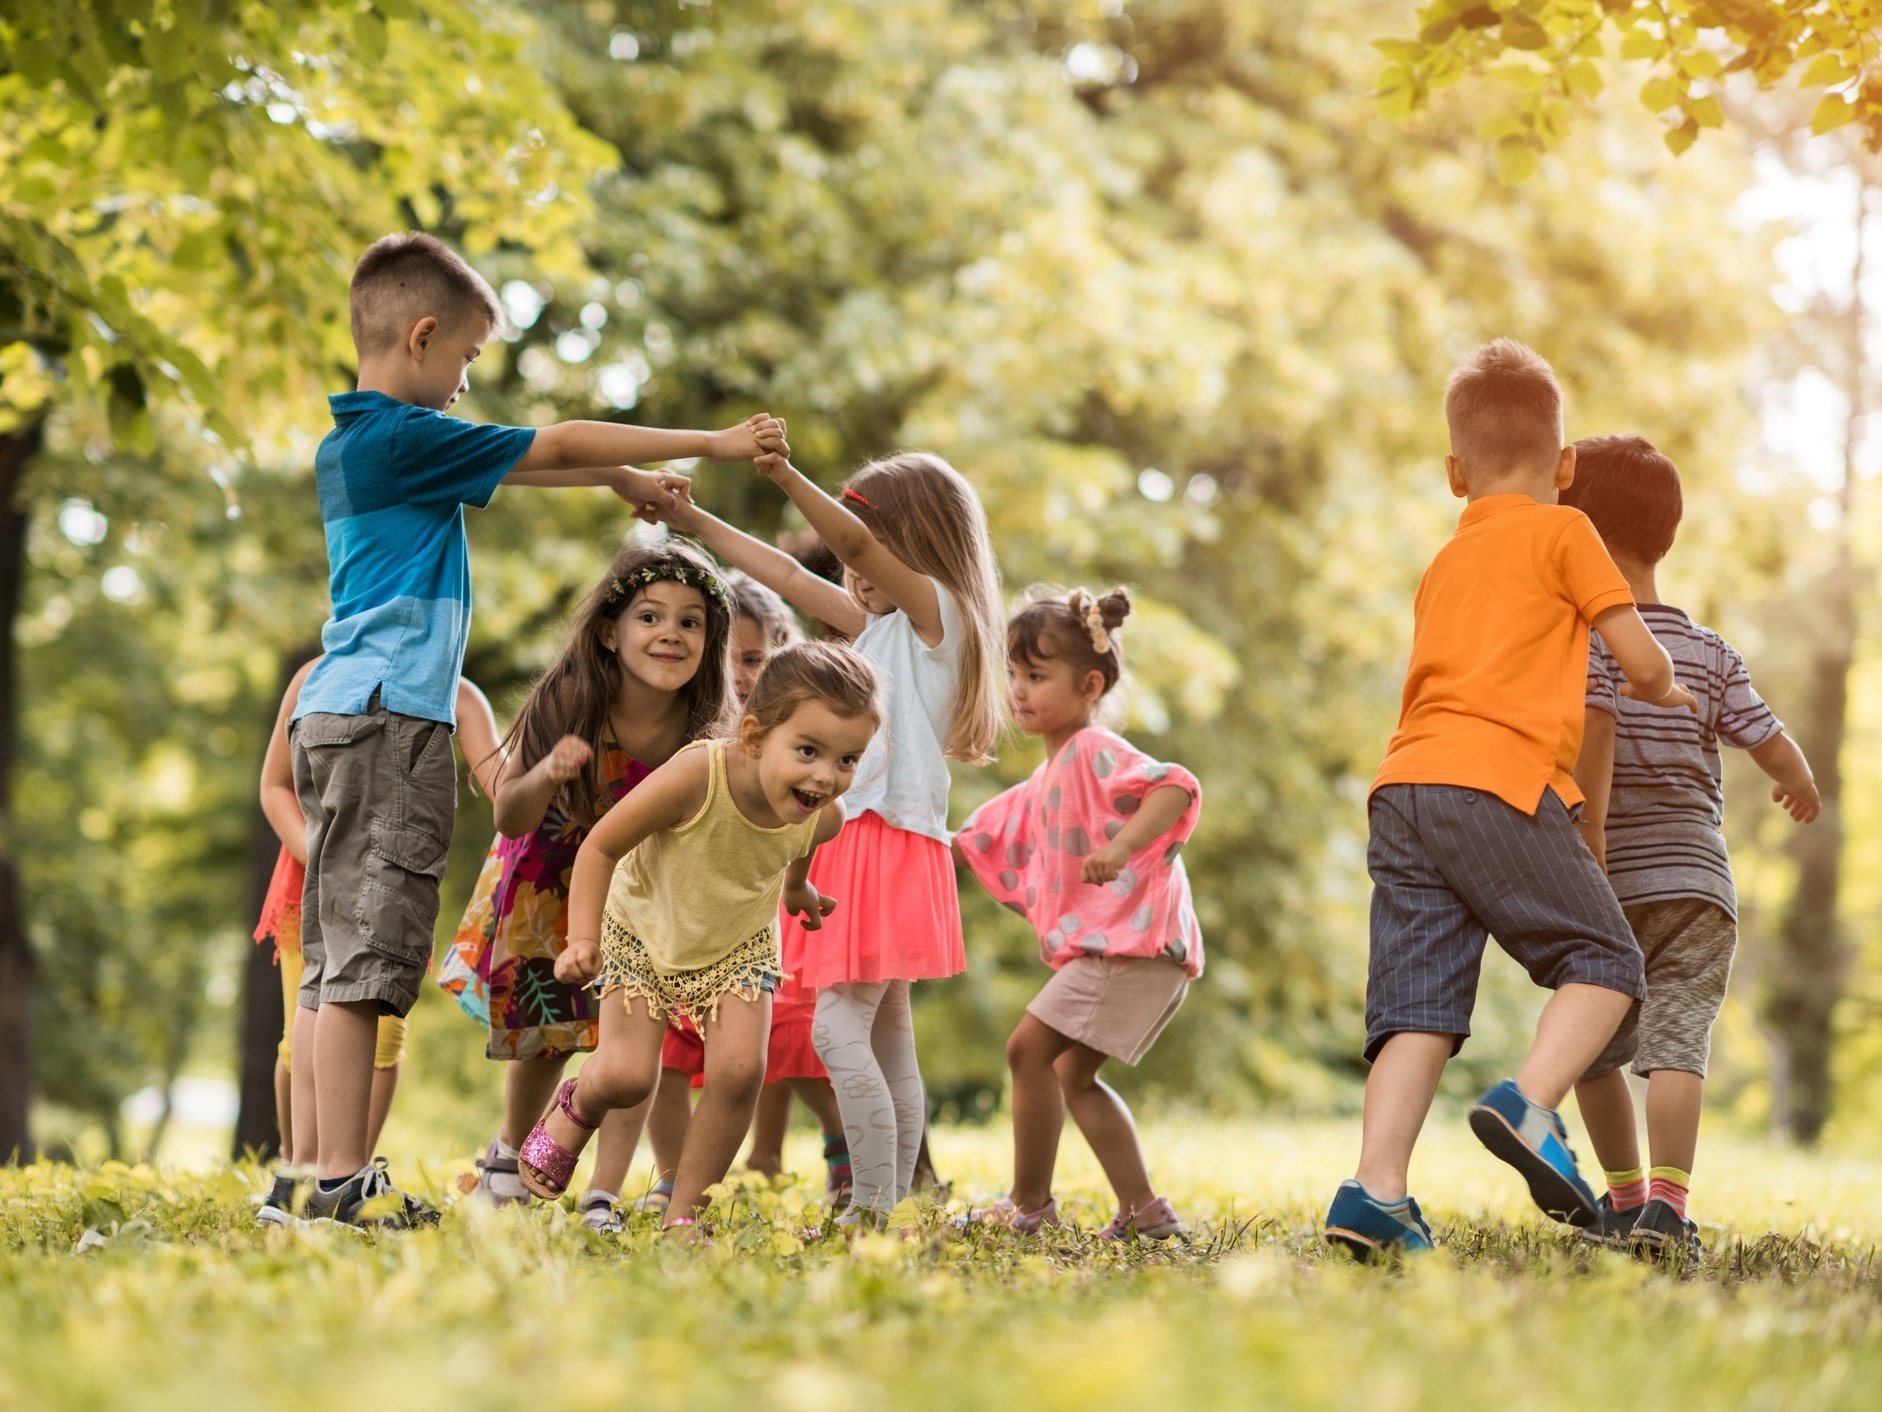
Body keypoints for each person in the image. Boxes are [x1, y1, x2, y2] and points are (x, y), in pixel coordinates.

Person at [293, 229, 781, 1225]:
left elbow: (534, 464)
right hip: (392, 720)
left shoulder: (357, 444)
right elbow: (551, 442)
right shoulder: (400, 435)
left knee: (335, 961)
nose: (470, 381)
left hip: (340, 712)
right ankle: (340, 1181)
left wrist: (615, 485)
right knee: (370, 963)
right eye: (468, 358)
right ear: (422, 336)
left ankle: (318, 1174)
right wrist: (713, 444)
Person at [1322, 339, 1697, 1260]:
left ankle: (1374, 1192)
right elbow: (1636, 650)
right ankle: (1530, 1104)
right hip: (1496, 781)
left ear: (1456, 474)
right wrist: (1666, 689)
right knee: (1608, 962)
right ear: (1566, 468)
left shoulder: (1447, 560)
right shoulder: (1567, 531)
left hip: (1404, 787)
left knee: (1416, 1006)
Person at [655, 447, 1003, 1224]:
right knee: (887, 1039)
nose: (855, 571)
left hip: (883, 840)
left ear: (922, 542)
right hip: (866, 842)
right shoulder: (880, 630)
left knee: (836, 1024)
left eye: (874, 543)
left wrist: (784, 474)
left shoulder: (938, 619)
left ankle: (869, 1207)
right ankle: (892, 1201)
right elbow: (789, 579)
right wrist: (691, 522)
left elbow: (850, 547)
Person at [515, 643, 882, 1238]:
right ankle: (578, 1102)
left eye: (847, 759)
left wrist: (796, 889)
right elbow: (601, 846)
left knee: (740, 1071)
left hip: (738, 944)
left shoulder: (825, 814)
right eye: (808, 751)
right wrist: (582, 938)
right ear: (757, 736)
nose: (824, 775)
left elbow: (802, 845)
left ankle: (685, 1213)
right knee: (630, 1076)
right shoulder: (698, 773)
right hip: (644, 928)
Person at [1561, 435, 1820, 1259]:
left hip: (1605, 881)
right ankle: (1668, 1210)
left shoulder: (1579, 643)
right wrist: (1800, 784)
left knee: (1593, 1051)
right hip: (1699, 885)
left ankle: (1625, 1199)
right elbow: (1771, 741)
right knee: (1679, 1043)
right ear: (1664, 534)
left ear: (1579, 534)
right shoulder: (1707, 651)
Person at [439, 541, 737, 1232]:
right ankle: (510, 1156)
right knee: (549, 1034)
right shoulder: (572, 697)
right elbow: (510, 811)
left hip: (644, 889)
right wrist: (544, 774)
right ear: (610, 630)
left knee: (633, 1036)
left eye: (691, 622)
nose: (670, 633)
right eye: (650, 617)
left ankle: (603, 1193)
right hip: (551, 872)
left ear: (710, 638)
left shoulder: (706, 724)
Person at [956, 587, 1201, 1239]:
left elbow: (1175, 786)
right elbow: (983, 833)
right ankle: (1145, 1211)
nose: (1019, 690)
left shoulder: (1094, 750)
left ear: (1089, 684)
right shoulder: (1049, 774)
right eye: (1014, 674)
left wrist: (1121, 846)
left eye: (1037, 676)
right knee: (1070, 1074)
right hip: (1134, 950)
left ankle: (1029, 1205)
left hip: (1132, 947)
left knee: (1026, 1051)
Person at [253, 665, 504, 1224]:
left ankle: (345, 1175)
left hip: (390, 887)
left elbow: (502, 781)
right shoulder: (313, 679)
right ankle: (296, 1172)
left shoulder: (456, 693)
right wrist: (322, 862)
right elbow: (274, 787)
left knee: (382, 1034)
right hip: (309, 889)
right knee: (301, 1040)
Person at [639, 572, 854, 1211]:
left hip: (751, 926)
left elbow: (815, 825)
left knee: (782, 1043)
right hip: (671, 920)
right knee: (670, 1055)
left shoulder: (798, 754)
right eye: (730, 657)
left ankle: (840, 1147)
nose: (739, 674)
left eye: (756, 660)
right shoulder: (685, 734)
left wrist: (796, 885)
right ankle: (675, 1178)